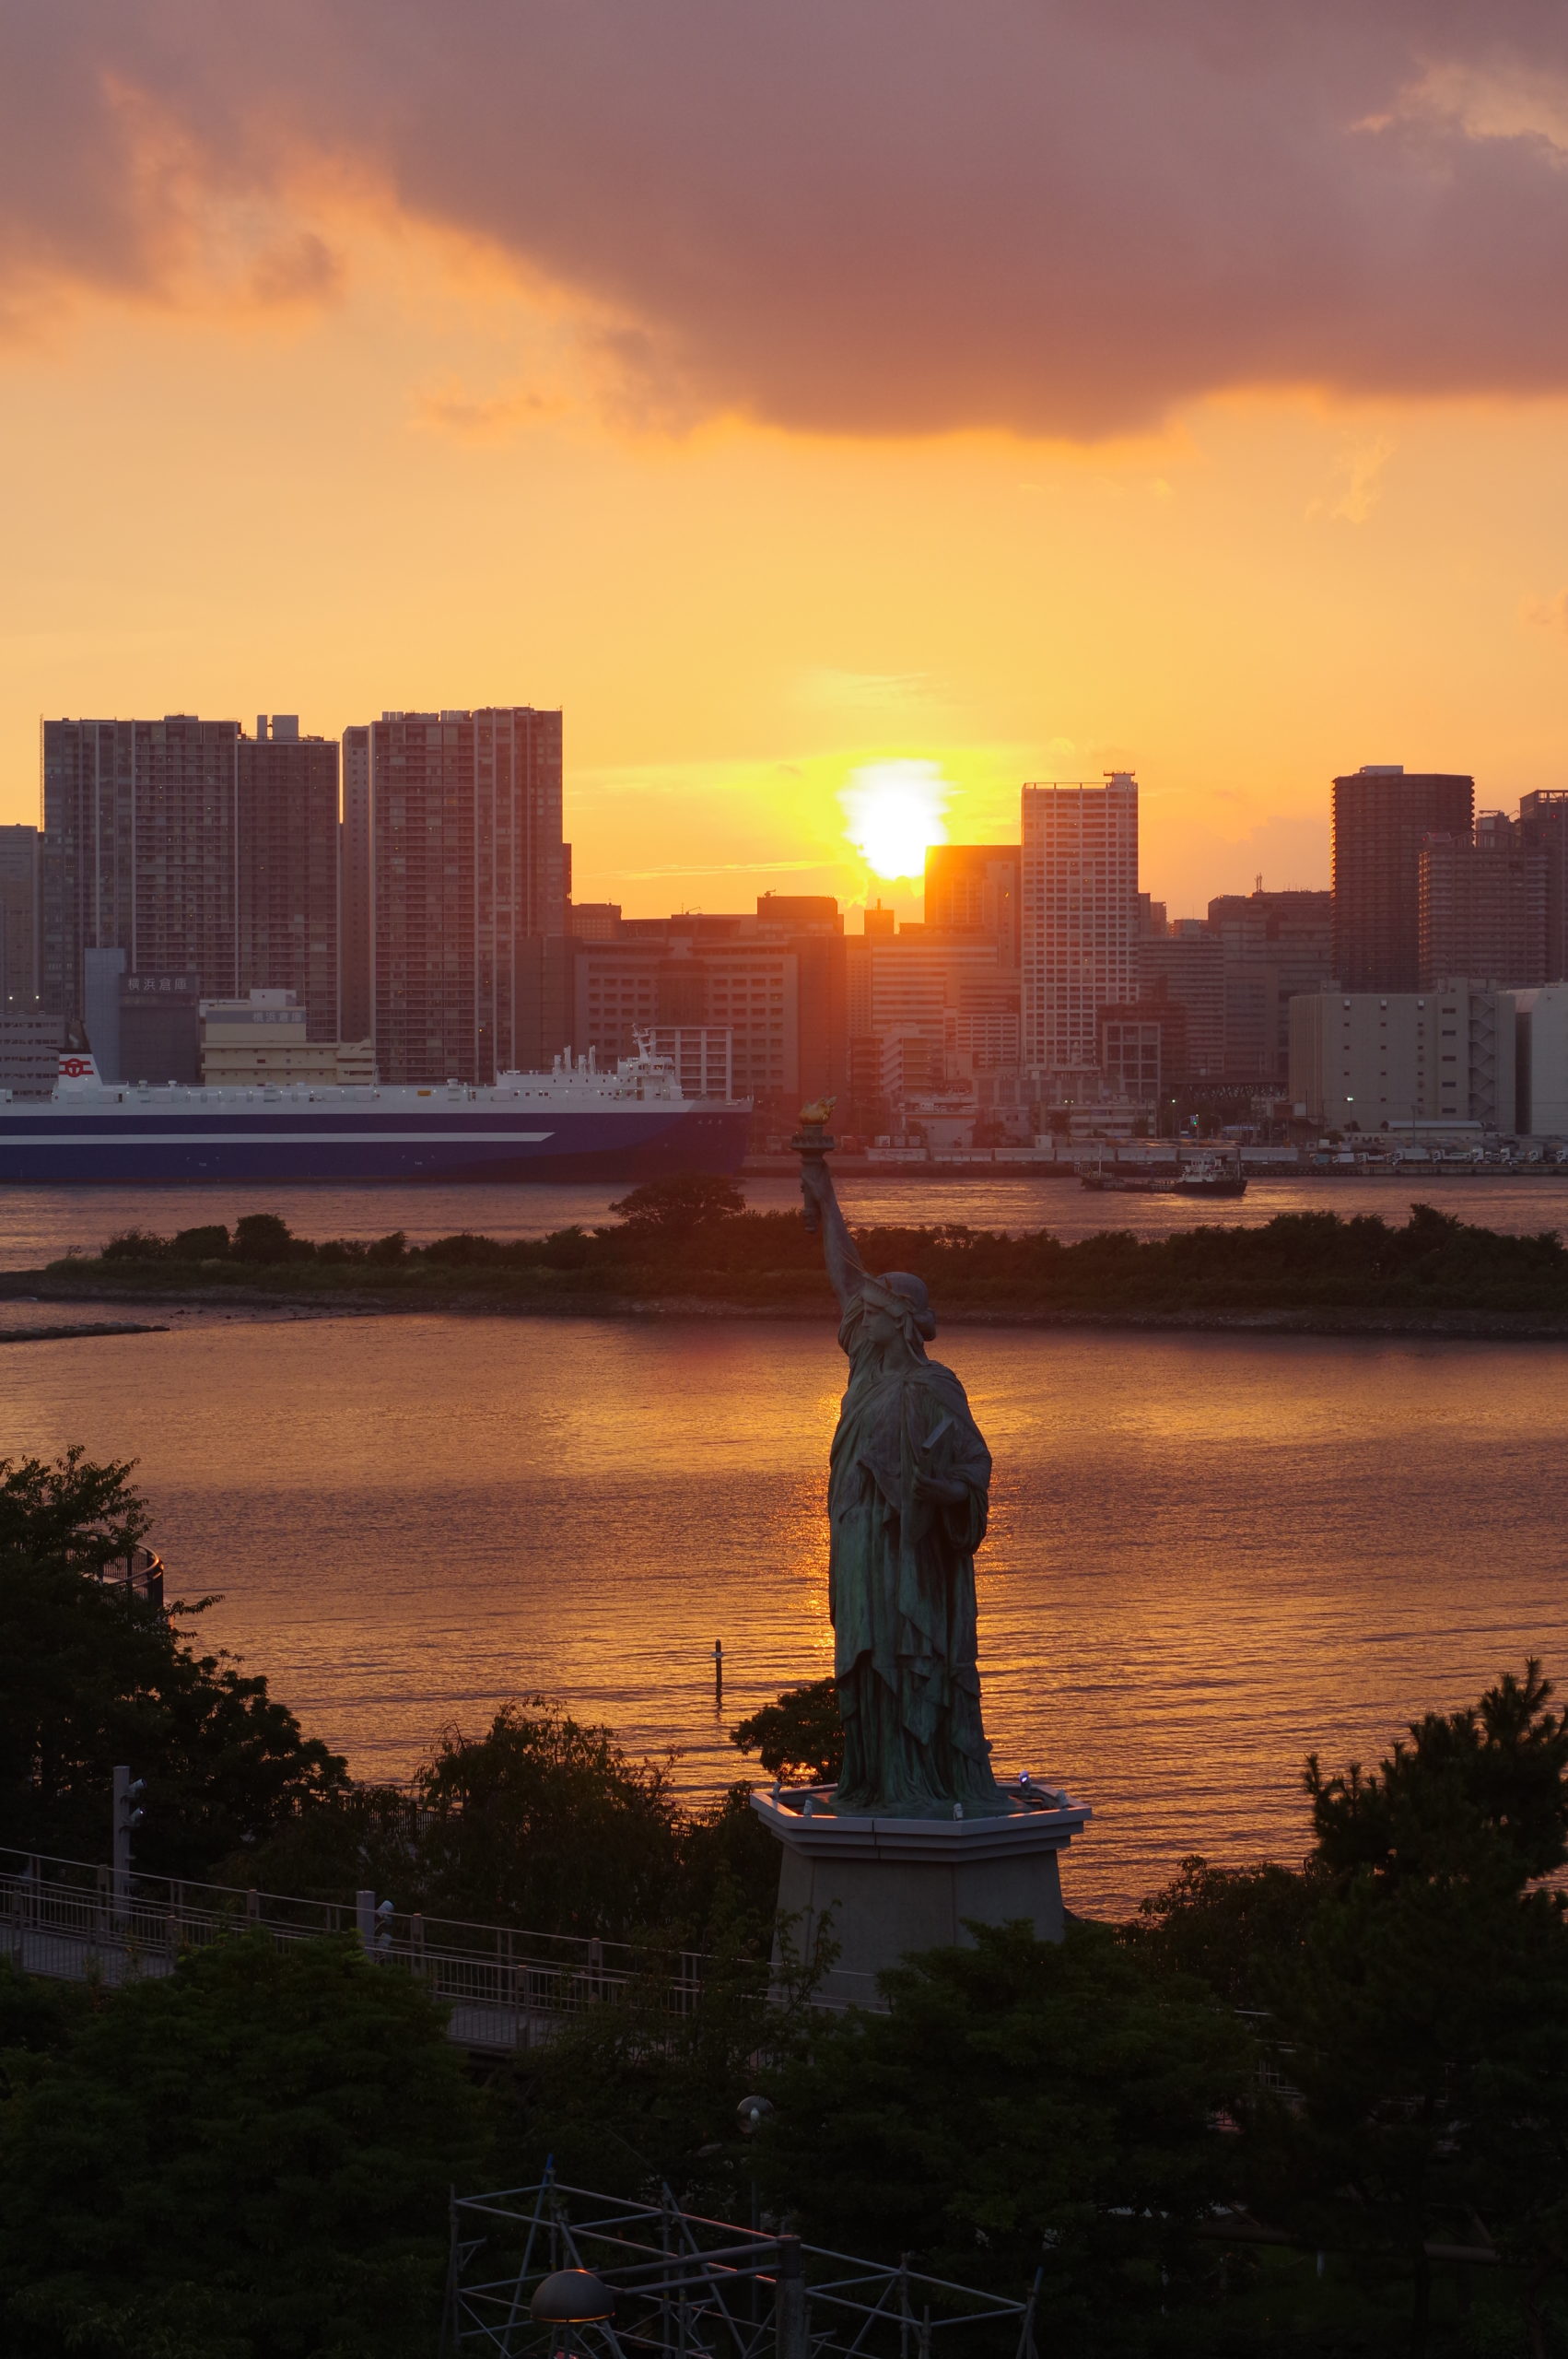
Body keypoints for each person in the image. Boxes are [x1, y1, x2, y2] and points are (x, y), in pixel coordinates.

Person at [801, 1156, 1008, 1816]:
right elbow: (843, 1275)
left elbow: (975, 1469)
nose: (860, 1314)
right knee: (865, 1663)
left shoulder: (934, 1384)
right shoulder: (865, 1370)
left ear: (901, 1318)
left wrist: (944, 1493)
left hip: (910, 1551)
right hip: (858, 1544)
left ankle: (919, 1779)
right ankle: (876, 1778)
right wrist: (823, 1191)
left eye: (874, 1308)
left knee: (908, 1659)